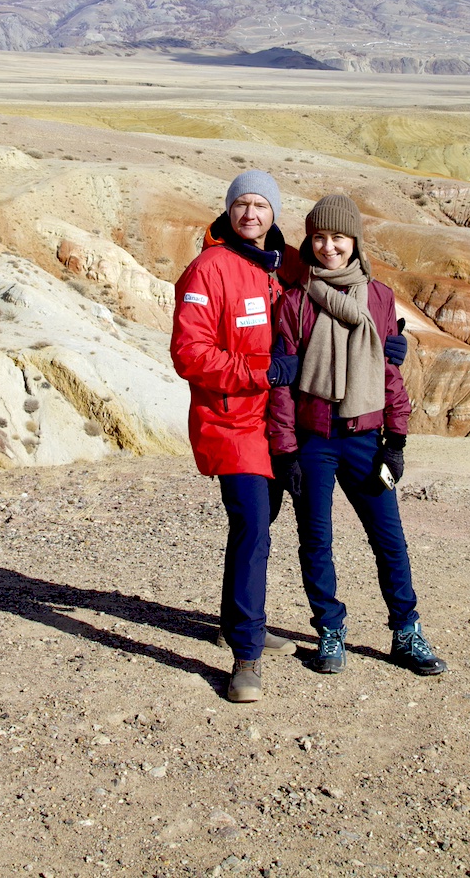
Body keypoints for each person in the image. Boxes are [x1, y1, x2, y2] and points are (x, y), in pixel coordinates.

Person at [269, 194, 447, 678]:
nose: (328, 247)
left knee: (389, 539)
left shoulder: (379, 298)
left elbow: (389, 373)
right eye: (319, 238)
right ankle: (329, 629)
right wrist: (286, 452)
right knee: (316, 540)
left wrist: (396, 441)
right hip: (314, 440)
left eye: (338, 238)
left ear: (355, 241)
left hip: (365, 438)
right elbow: (282, 385)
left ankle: (406, 631)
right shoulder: (294, 301)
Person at [170, 170, 302, 703]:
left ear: (274, 213)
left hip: (279, 421)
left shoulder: (287, 265)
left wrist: (384, 344)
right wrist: (261, 372)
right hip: (230, 420)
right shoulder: (209, 269)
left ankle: (235, 621)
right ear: (228, 211)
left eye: (261, 205)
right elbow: (190, 354)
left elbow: (339, 302)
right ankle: (246, 655)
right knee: (253, 528)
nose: (251, 213)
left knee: (258, 523)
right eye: (242, 204)